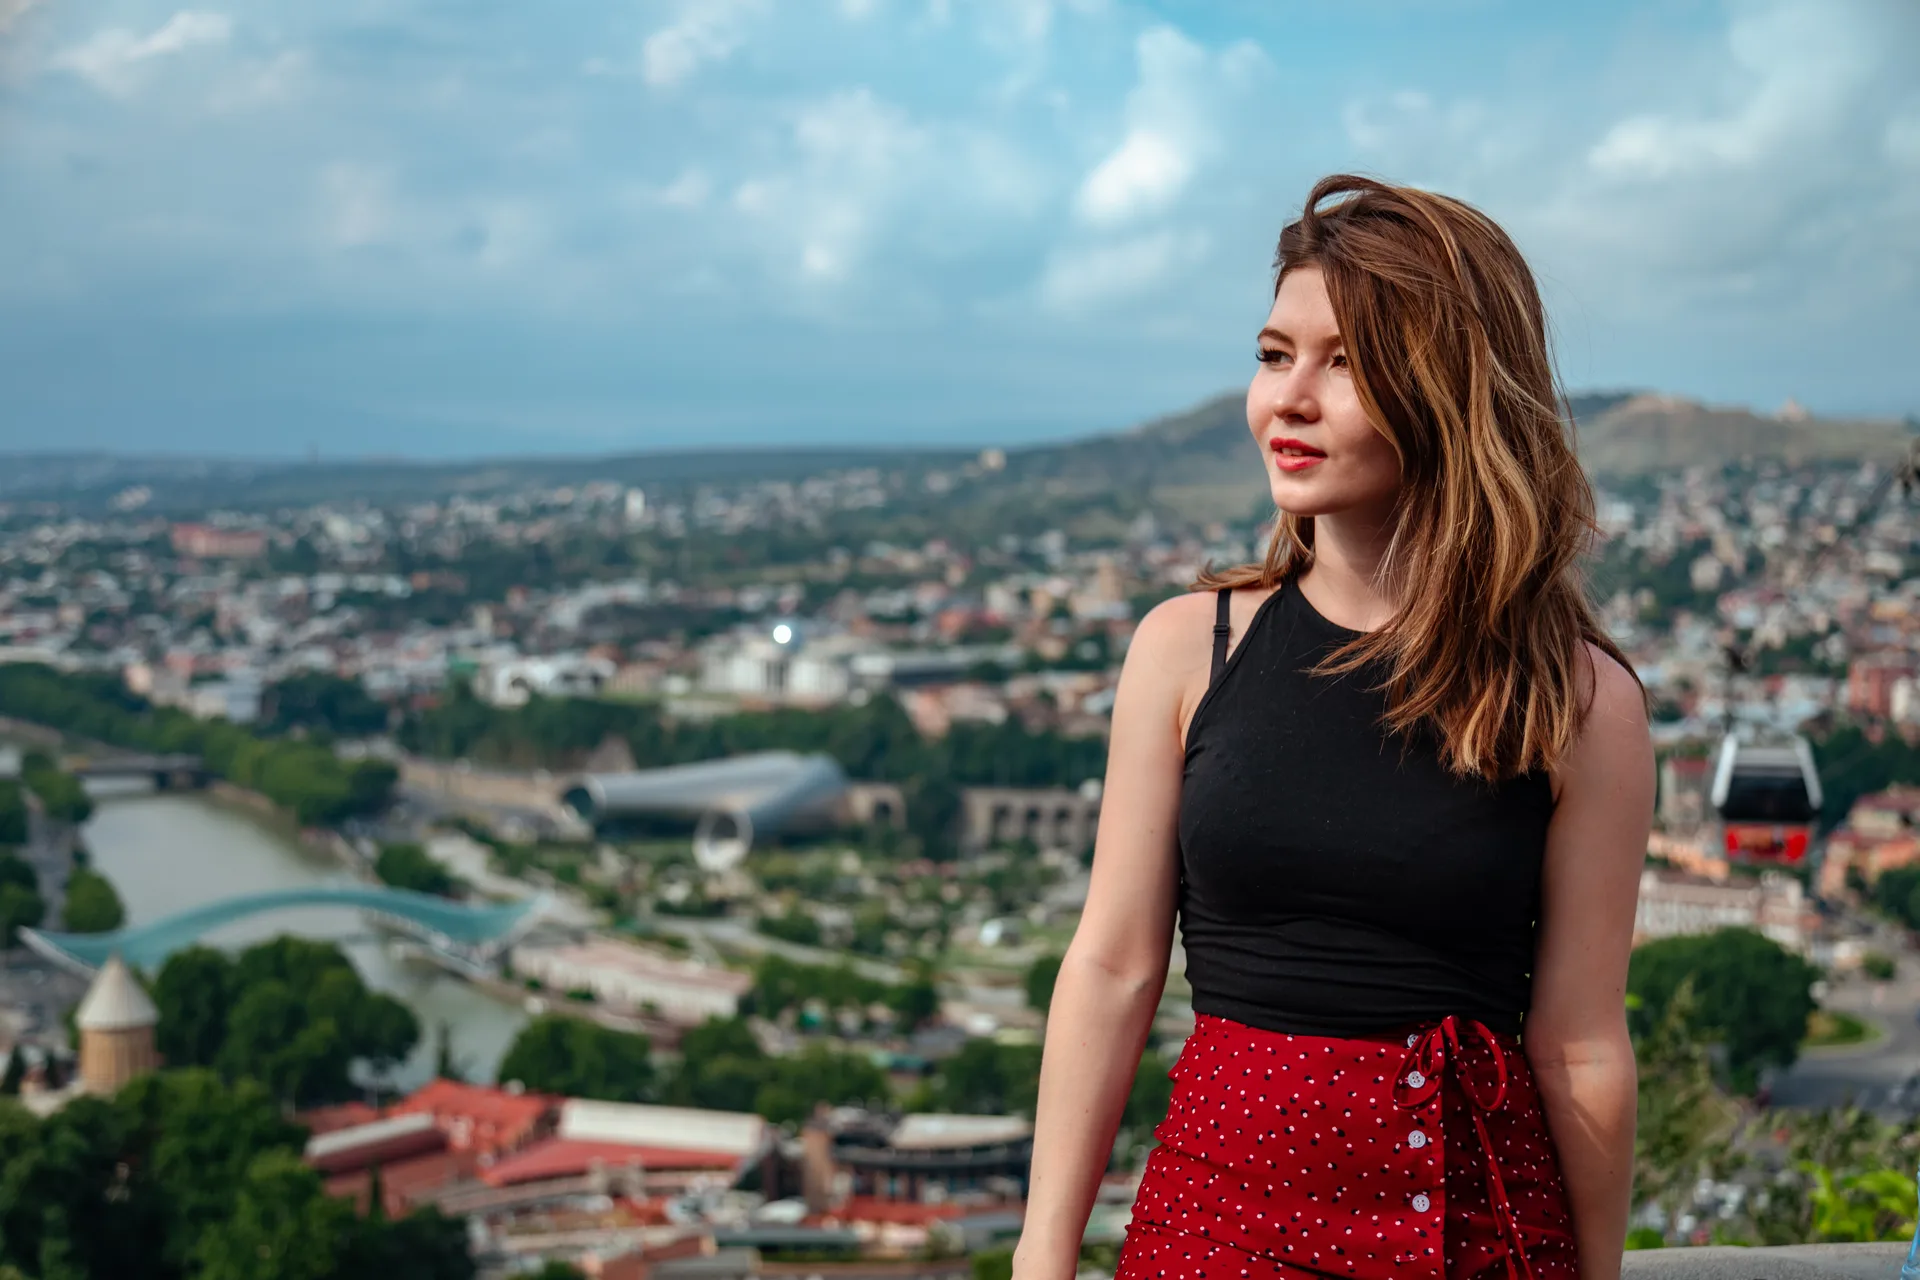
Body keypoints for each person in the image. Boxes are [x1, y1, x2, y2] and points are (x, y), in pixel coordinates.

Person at [1011, 175, 1654, 1280]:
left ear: (1452, 395)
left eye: (1346, 362)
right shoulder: (1185, 648)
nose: (1289, 399)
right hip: (1214, 1226)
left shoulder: (1579, 700)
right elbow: (1114, 968)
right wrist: (1041, 1254)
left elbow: (1580, 1038)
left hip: (1472, 1231)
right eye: (1274, 354)